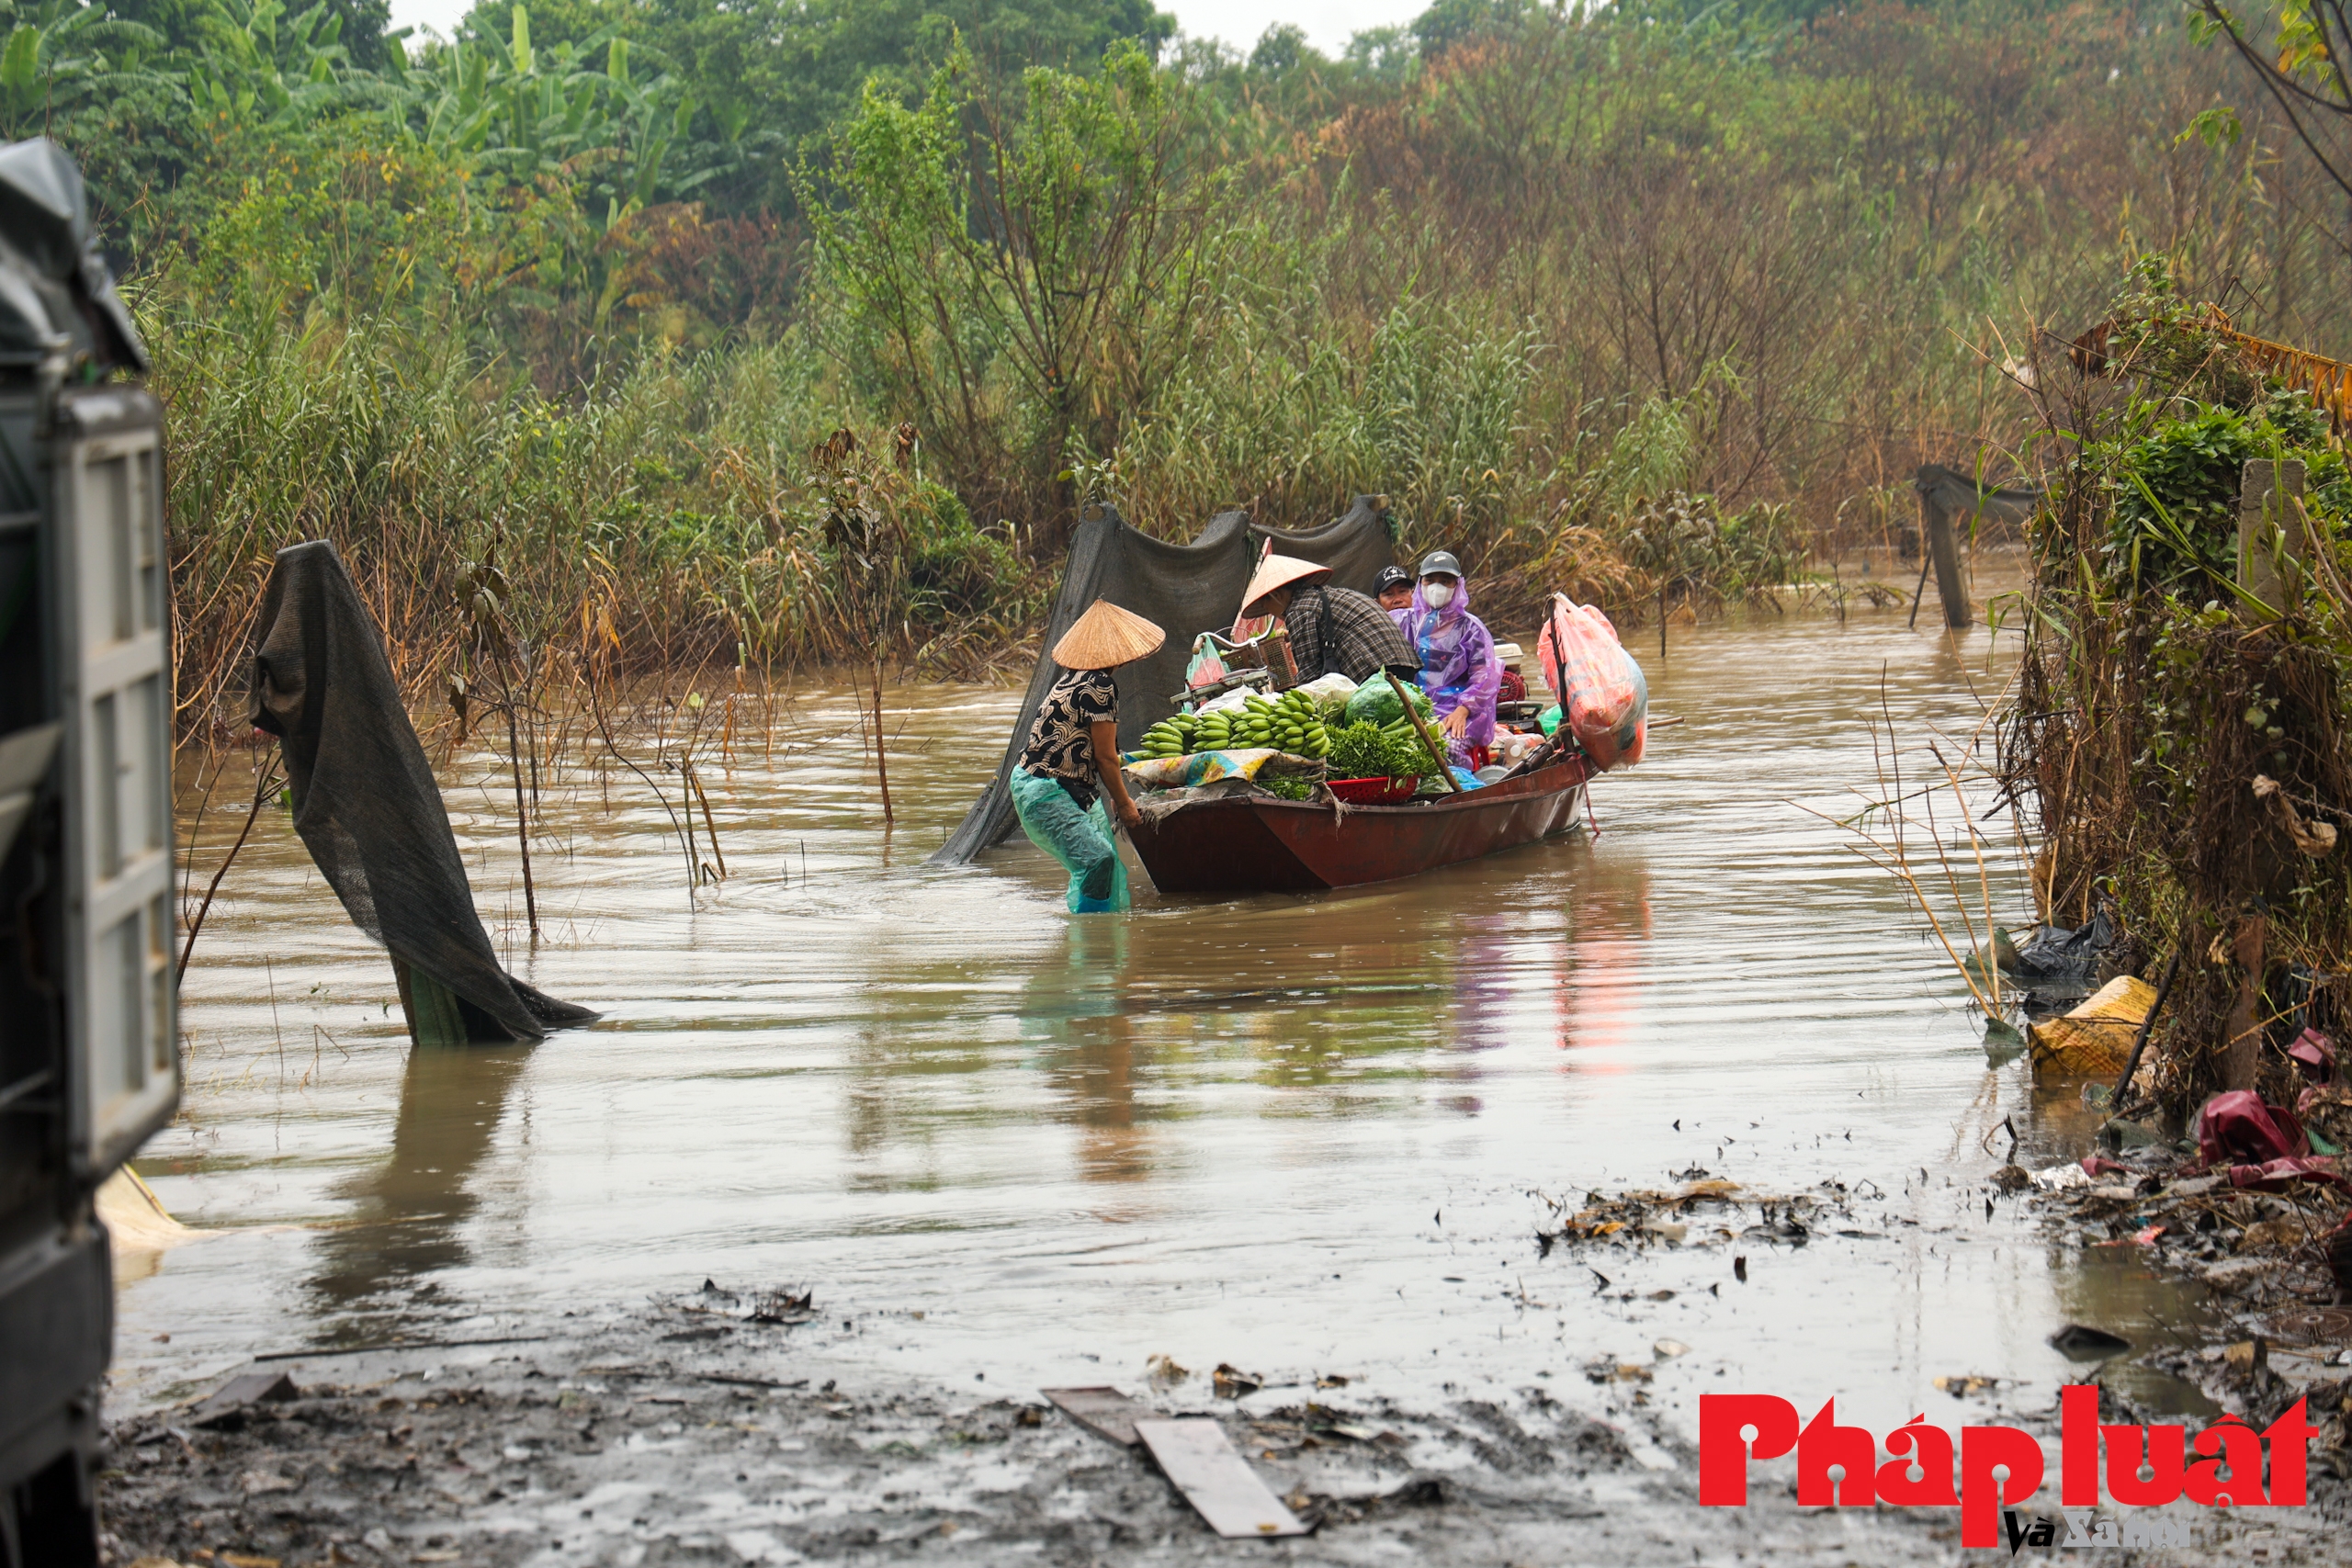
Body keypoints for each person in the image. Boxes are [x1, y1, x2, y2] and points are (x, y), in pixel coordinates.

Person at [1011, 598, 1164, 913]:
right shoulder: (1100, 685)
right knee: (1098, 860)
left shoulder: (1070, 679)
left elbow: (1098, 754)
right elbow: (1106, 759)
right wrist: (1124, 803)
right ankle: (1093, 941)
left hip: (1058, 787)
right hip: (1046, 789)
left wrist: (1116, 787)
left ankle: (1095, 937)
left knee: (1102, 865)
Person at [1238, 553, 1418, 686]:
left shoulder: (1299, 609)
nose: (1269, 612)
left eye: (1266, 606)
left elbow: (1310, 676)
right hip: (1403, 661)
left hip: (1376, 669)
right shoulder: (1323, 595)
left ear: (1276, 595)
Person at [1393, 549, 1500, 768]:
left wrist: (1462, 711)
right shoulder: (1402, 620)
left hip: (1460, 709)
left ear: (1457, 585)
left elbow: (1485, 679)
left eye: (1445, 581)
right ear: (1420, 583)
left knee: (1448, 748)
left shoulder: (1471, 628)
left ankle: (1459, 794)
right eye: (1430, 580)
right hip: (1412, 708)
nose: (1436, 587)